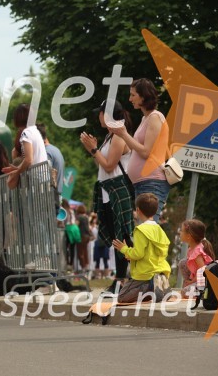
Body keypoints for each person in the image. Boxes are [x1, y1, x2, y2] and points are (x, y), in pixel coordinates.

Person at [81, 99, 134, 292]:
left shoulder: (119, 136)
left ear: (109, 115)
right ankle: (122, 278)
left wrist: (93, 149)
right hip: (107, 190)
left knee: (123, 235)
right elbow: (103, 165)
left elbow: (110, 165)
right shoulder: (109, 136)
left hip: (118, 190)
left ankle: (124, 279)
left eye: (101, 112)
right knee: (115, 235)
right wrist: (94, 150)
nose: (99, 116)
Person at [110, 79, 171, 220]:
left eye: (133, 95)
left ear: (143, 96)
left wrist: (124, 134)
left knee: (147, 227)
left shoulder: (155, 117)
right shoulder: (146, 118)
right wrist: (122, 134)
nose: (130, 99)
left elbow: (146, 152)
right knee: (144, 226)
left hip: (152, 182)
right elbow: (136, 148)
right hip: (144, 183)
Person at [111, 193, 171, 303]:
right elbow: (159, 252)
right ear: (155, 211)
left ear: (138, 210)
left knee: (122, 297)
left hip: (145, 274)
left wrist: (124, 249)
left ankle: (150, 288)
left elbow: (138, 254)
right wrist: (131, 256)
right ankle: (158, 286)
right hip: (159, 271)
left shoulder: (140, 230)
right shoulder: (159, 229)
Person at [2, 104, 47, 189]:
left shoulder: (26, 133)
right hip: (43, 177)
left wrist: (17, 172)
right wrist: (17, 168)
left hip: (35, 179)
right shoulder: (35, 130)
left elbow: (28, 159)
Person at [178, 219, 215, 297]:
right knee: (183, 262)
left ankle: (206, 293)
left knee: (184, 292)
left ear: (189, 236)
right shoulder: (191, 249)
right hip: (197, 280)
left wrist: (192, 281)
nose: (179, 232)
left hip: (205, 282)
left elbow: (203, 271)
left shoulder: (197, 252)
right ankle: (190, 286)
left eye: (182, 231)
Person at [37, 123, 65, 211]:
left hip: (49, 199)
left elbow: (44, 177)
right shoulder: (55, 150)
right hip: (56, 197)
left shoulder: (46, 152)